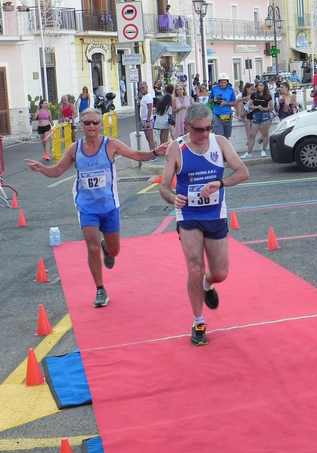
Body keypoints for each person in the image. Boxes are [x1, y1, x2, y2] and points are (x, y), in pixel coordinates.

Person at [26, 108, 168, 308]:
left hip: (109, 206)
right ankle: (100, 289)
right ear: (81, 126)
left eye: (95, 123)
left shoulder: (110, 145)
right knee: (91, 247)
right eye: (87, 123)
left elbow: (135, 154)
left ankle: (107, 250)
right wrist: (42, 169)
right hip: (87, 207)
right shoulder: (75, 149)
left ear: (100, 124)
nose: (91, 126)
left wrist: (154, 152)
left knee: (114, 249)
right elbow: (57, 171)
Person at [159, 103, 249, 346]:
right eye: (200, 129)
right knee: (194, 266)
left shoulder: (220, 143)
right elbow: (164, 186)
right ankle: (198, 321)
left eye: (209, 128)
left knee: (220, 272)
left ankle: (208, 285)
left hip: (215, 213)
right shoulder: (177, 149)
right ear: (188, 126)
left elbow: (243, 172)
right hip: (188, 215)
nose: (205, 134)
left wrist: (221, 184)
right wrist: (172, 197)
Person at [209, 73, 236, 139]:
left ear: (227, 82)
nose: (223, 84)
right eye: (221, 82)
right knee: (219, 136)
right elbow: (209, 101)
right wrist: (214, 100)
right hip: (217, 115)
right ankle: (219, 149)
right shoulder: (214, 89)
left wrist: (225, 103)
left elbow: (234, 102)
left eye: (225, 82)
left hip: (227, 115)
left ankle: (225, 148)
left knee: (226, 137)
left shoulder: (231, 90)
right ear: (219, 82)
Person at [236, 82, 254, 158]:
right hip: (243, 114)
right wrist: (244, 98)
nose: (253, 90)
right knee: (240, 102)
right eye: (251, 89)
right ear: (247, 88)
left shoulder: (254, 95)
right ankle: (249, 140)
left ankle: (249, 140)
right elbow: (236, 101)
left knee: (249, 122)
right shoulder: (241, 95)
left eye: (253, 89)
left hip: (250, 113)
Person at [139, 82, 156, 150]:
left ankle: (153, 155)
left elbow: (150, 109)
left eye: (143, 88)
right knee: (148, 138)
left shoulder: (148, 97)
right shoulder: (144, 96)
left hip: (147, 120)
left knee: (150, 138)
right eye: (140, 88)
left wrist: (148, 121)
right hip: (144, 120)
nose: (141, 89)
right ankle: (152, 153)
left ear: (147, 87)